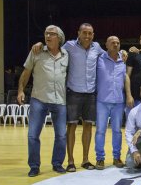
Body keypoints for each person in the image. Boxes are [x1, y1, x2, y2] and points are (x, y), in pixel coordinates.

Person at [32, 23, 104, 171]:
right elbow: (53, 48)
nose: (87, 36)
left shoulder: (97, 48)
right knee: (71, 126)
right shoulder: (69, 46)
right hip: (73, 93)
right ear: (78, 33)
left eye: (90, 33)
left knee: (88, 126)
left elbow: (110, 53)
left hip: (90, 93)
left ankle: (85, 160)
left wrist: (123, 51)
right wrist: (40, 44)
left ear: (93, 35)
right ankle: (70, 161)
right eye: (84, 32)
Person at [17, 25, 68, 177]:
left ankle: (57, 163)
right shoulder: (36, 52)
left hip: (59, 100)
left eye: (52, 34)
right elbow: (26, 73)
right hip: (39, 98)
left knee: (61, 135)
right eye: (46, 34)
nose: (48, 36)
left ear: (59, 38)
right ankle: (34, 166)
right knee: (33, 135)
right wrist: (20, 90)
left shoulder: (66, 54)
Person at [94, 36, 129, 170]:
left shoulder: (124, 60)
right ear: (106, 45)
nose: (115, 45)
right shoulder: (100, 58)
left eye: (118, 43)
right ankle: (100, 159)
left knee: (117, 131)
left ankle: (116, 157)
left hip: (119, 101)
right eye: (112, 43)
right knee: (100, 131)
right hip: (102, 101)